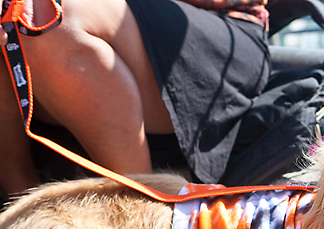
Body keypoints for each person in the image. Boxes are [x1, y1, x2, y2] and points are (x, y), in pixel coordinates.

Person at [0, 0, 270, 195]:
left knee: (47, 16)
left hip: (221, 29)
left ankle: (143, 209)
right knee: (15, 15)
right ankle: (20, 203)